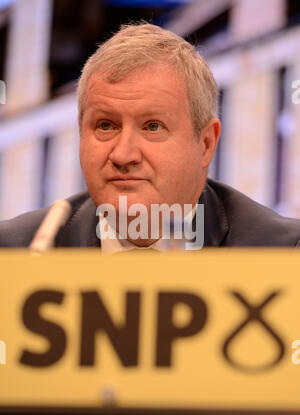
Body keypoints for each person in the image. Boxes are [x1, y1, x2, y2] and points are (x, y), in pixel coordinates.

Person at [0, 22, 300, 250]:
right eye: (105, 126)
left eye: (152, 127)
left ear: (206, 143)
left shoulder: (281, 256)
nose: (123, 155)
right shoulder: (15, 255)